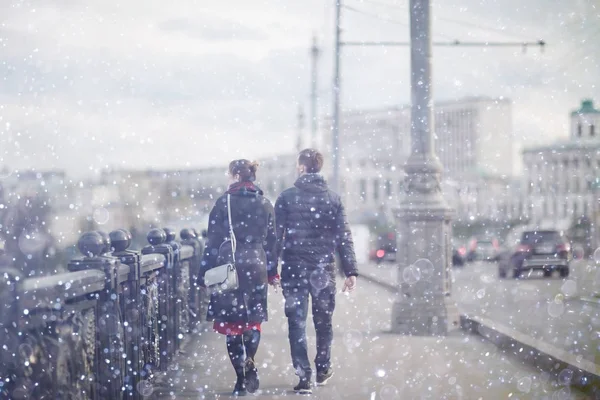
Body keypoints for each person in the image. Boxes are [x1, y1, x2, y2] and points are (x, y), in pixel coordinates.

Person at [274, 148, 358, 394]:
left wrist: (271, 268)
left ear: (301, 167)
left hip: (294, 268)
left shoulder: (286, 197)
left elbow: (276, 237)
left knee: (296, 323)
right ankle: (322, 369)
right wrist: (350, 270)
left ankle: (303, 377)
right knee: (323, 322)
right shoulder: (333, 199)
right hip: (323, 271)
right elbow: (344, 237)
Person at [199, 159, 280, 396]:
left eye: (228, 174)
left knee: (232, 325)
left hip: (229, 267)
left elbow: (212, 242)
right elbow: (272, 243)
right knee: (252, 320)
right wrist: (273, 273)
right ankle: (251, 359)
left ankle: (240, 380)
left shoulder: (223, 203)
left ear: (235, 175)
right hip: (256, 265)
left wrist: (202, 274)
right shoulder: (265, 204)